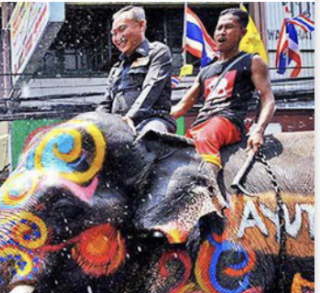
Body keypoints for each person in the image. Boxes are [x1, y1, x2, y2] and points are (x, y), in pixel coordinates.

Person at [171, 8, 275, 208]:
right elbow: (182, 107)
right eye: (219, 28)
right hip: (202, 124)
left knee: (205, 137)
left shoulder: (252, 61)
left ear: (243, 33)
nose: (221, 32)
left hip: (228, 121)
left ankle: (209, 199)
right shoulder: (206, 70)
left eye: (229, 27)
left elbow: (268, 99)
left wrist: (258, 130)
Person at [97, 5, 176, 134]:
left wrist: (131, 117)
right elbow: (106, 103)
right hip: (119, 126)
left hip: (152, 120)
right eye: (114, 34)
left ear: (141, 25)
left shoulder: (158, 52)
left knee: (150, 137)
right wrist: (95, 123)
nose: (118, 38)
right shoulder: (116, 68)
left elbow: (152, 87)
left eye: (122, 29)